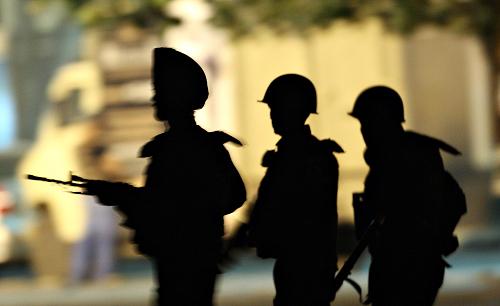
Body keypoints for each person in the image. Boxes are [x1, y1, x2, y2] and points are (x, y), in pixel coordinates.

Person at [85, 47, 246, 306]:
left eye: (160, 93)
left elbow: (164, 204)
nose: (154, 99)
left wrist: (123, 196)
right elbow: (232, 197)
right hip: (195, 252)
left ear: (176, 98)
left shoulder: (173, 150)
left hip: (183, 255)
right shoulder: (203, 145)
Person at [349, 86, 464, 306]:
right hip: (393, 264)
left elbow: (451, 200)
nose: (364, 131)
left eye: (367, 123)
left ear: (383, 122)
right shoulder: (385, 157)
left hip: (410, 267)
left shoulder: (410, 155)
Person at [248, 74, 342, 306]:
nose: (272, 115)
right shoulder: (294, 155)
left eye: (277, 108)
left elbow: (303, 213)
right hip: (298, 262)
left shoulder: (308, 157)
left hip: (305, 264)